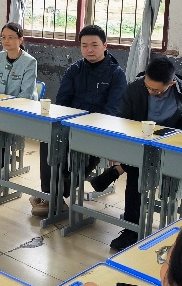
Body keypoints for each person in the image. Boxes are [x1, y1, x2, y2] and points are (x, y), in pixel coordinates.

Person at [90, 55, 182, 251]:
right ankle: (132, 229)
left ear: (171, 83)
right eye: (148, 87)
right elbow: (123, 121)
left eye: (156, 90)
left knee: (137, 167)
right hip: (139, 145)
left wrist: (168, 138)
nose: (150, 92)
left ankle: (118, 170)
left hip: (169, 148)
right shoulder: (135, 88)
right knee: (137, 172)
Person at [29, 25, 126, 217]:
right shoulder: (74, 69)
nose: (89, 50)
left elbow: (112, 110)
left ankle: (54, 197)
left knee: (80, 151)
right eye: (84, 45)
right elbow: (62, 101)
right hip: (70, 124)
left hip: (98, 129)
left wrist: (85, 125)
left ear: (105, 46)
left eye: (94, 45)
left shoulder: (116, 74)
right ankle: (50, 194)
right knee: (49, 140)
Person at [0, 22, 37, 99]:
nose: (6, 40)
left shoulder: (29, 62)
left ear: (20, 40)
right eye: (3, 37)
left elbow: (26, 94)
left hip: (20, 105)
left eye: (10, 37)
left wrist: (7, 104)